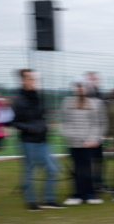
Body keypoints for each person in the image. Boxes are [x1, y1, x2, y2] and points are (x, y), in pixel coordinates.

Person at [13, 69, 63, 211]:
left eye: (34, 79)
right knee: (30, 170)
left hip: (42, 140)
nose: (33, 82)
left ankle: (49, 199)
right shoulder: (19, 100)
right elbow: (14, 122)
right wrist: (31, 128)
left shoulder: (38, 97)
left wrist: (45, 126)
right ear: (23, 81)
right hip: (28, 141)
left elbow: (41, 116)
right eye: (30, 79)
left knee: (53, 169)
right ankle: (31, 202)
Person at [61, 82, 105, 206]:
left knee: (86, 169)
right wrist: (72, 135)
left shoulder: (93, 104)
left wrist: (92, 139)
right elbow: (65, 122)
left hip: (87, 143)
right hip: (73, 143)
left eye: (82, 87)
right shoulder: (67, 102)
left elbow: (96, 124)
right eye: (77, 87)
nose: (80, 90)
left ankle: (90, 195)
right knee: (76, 169)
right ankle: (77, 195)